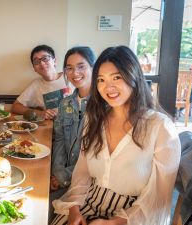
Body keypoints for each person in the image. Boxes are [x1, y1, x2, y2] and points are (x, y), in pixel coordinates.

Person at [51, 46, 181, 225]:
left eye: (117, 77)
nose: (108, 87)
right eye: (101, 80)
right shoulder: (94, 118)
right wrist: (73, 209)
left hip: (133, 215)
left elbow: (158, 197)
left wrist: (113, 222)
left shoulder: (160, 127)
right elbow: (82, 172)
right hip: (89, 202)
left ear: (133, 75)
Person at [49, 46, 96, 221]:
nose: (75, 72)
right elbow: (60, 139)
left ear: (93, 67)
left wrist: (64, 177)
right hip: (62, 178)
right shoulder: (65, 103)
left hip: (87, 186)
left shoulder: (104, 107)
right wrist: (56, 172)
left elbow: (96, 156)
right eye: (69, 67)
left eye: (81, 66)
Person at [11, 45, 72, 120]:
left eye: (45, 58)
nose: (42, 63)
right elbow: (15, 107)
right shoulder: (36, 85)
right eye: (36, 61)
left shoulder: (70, 76)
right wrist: (40, 113)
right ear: (34, 68)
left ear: (54, 61)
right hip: (53, 128)